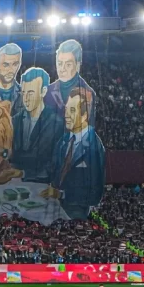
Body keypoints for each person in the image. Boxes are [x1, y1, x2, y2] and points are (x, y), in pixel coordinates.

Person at [42, 87, 106, 219]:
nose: (66, 115)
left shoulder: (94, 147)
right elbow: (51, 170)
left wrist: (61, 194)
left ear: (85, 115)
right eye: (66, 109)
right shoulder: (63, 141)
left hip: (75, 213)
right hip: (53, 208)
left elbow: (94, 194)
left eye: (72, 110)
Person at [11, 67, 63, 183]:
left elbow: (54, 165)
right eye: (23, 93)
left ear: (43, 92)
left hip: (42, 186)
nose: (26, 99)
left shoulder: (56, 123)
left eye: (30, 93)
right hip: (12, 183)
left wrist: (24, 173)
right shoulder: (14, 121)